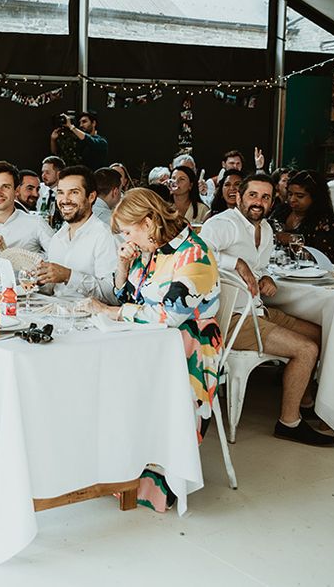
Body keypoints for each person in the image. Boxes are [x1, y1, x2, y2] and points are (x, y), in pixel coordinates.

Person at [89, 188, 222, 511]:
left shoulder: (194, 254)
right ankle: (114, 471)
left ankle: (149, 483)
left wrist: (113, 314)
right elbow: (128, 298)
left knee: (120, 385)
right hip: (151, 344)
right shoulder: (154, 250)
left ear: (148, 222)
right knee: (99, 377)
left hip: (188, 352)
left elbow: (171, 315)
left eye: (129, 231)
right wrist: (123, 265)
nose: (128, 239)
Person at [199, 174, 334, 446]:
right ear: (239, 197)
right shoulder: (223, 224)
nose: (258, 202)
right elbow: (198, 252)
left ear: (273, 201)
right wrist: (235, 262)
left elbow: (260, 268)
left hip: (257, 309)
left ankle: (304, 399)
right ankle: (289, 422)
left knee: (320, 334)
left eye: (265, 197)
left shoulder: (267, 230)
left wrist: (266, 278)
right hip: (230, 319)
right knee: (306, 349)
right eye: (253, 195)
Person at [38, 166, 118, 302]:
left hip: (89, 319)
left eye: (74, 192)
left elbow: (112, 295)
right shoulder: (58, 237)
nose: (65, 200)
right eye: (60, 192)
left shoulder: (105, 236)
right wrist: (39, 281)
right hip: (54, 313)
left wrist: (69, 276)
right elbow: (51, 290)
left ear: (91, 196)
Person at [0, 161, 53, 258]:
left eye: (6, 187)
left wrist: (33, 258)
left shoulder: (36, 223)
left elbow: (59, 257)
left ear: (16, 190)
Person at [271, 170, 334, 263]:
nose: (292, 199)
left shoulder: (324, 222)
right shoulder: (282, 211)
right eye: (290, 194)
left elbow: (323, 259)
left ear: (315, 197)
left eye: (300, 196)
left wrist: (294, 240)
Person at [37, 154, 65, 228]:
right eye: (42, 172)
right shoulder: (38, 188)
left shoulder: (66, 193)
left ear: (59, 174)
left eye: (47, 172)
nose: (43, 175)